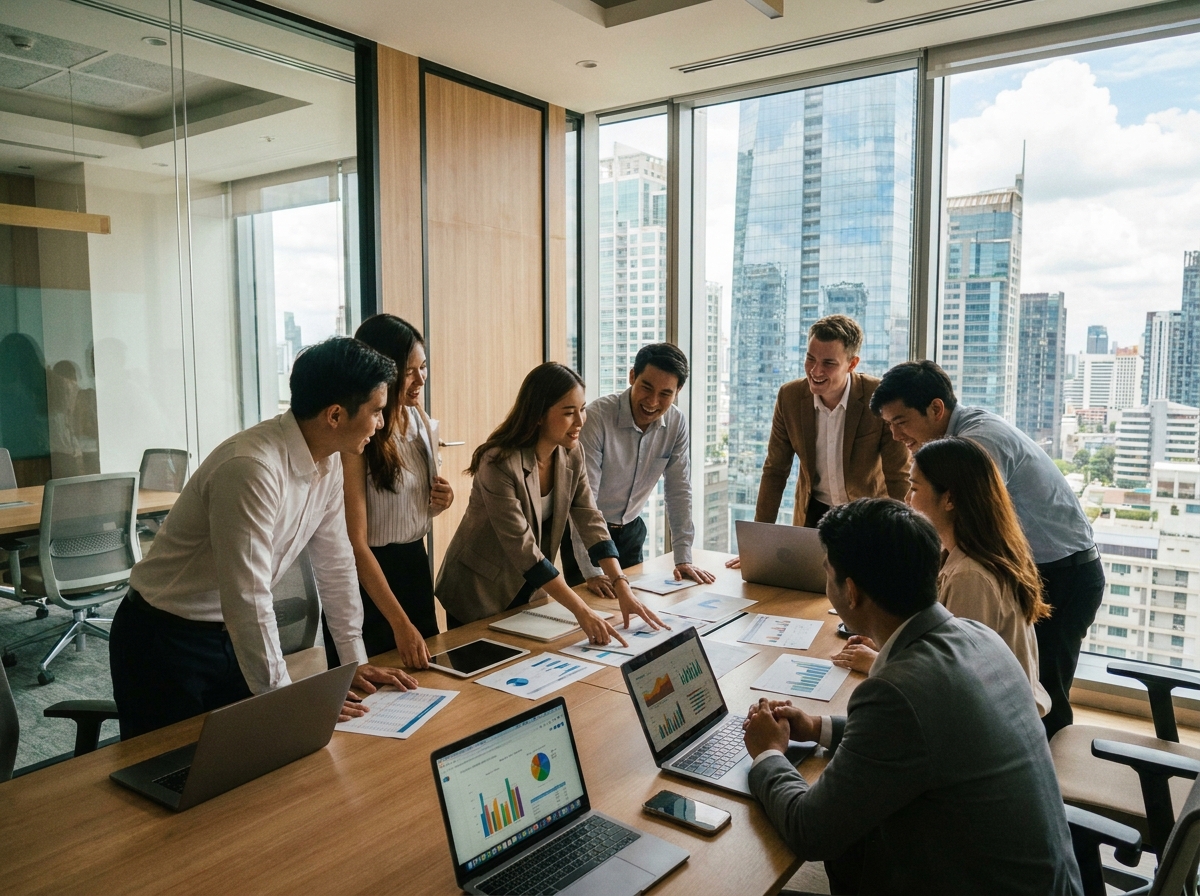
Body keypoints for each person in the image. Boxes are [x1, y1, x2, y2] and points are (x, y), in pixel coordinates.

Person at [743, 498, 1082, 896]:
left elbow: (810, 832)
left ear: (850, 591)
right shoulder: (980, 637)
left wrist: (768, 753)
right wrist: (818, 727)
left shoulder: (894, 691)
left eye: (828, 574)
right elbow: (930, 731)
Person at [110, 337, 417, 741]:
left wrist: (352, 666)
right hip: (165, 639)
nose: (381, 425)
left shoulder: (328, 461)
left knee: (250, 767)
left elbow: (337, 566)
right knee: (170, 777)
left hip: (231, 636)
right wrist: (287, 702)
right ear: (336, 415)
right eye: (377, 412)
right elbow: (248, 596)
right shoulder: (252, 467)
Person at [870, 360, 1103, 738]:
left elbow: (948, 525)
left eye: (900, 421)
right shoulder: (957, 440)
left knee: (1041, 703)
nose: (896, 435)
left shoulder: (976, 445)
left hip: (1064, 572)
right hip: (1038, 564)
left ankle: (1037, 787)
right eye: (889, 425)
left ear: (935, 409)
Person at [435, 362, 664, 643]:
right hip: (478, 589)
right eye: (569, 413)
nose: (581, 421)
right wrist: (582, 610)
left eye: (582, 409)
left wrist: (622, 585)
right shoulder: (499, 463)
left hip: (530, 585)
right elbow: (523, 549)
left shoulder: (570, 452)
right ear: (539, 414)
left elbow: (589, 517)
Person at [832, 437, 1053, 717]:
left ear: (949, 498)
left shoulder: (971, 577)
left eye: (913, 488)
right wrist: (890, 647)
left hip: (993, 717)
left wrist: (878, 663)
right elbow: (940, 645)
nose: (906, 499)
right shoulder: (953, 553)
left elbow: (956, 679)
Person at [727, 315, 909, 568]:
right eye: (810, 358)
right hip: (814, 516)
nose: (815, 371)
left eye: (828, 363)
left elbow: (899, 476)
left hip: (867, 516)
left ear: (852, 363)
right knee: (804, 595)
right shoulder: (790, 397)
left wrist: (907, 541)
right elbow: (775, 471)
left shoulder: (877, 398)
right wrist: (757, 545)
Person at [326, 314, 452, 671]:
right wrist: (399, 622)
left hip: (413, 565)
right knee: (373, 695)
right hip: (370, 578)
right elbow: (356, 541)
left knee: (427, 681)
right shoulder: (359, 434)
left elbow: (410, 502)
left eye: (423, 367)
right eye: (409, 370)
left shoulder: (419, 421)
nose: (420, 379)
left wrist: (443, 500)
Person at [562, 343, 714, 598]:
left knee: (632, 618)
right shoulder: (598, 418)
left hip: (631, 532)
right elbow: (584, 502)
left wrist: (683, 558)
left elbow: (679, 491)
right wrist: (592, 571)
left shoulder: (676, 423)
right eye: (646, 387)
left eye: (665, 393)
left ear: (678, 391)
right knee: (594, 615)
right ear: (632, 376)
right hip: (588, 533)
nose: (653, 402)